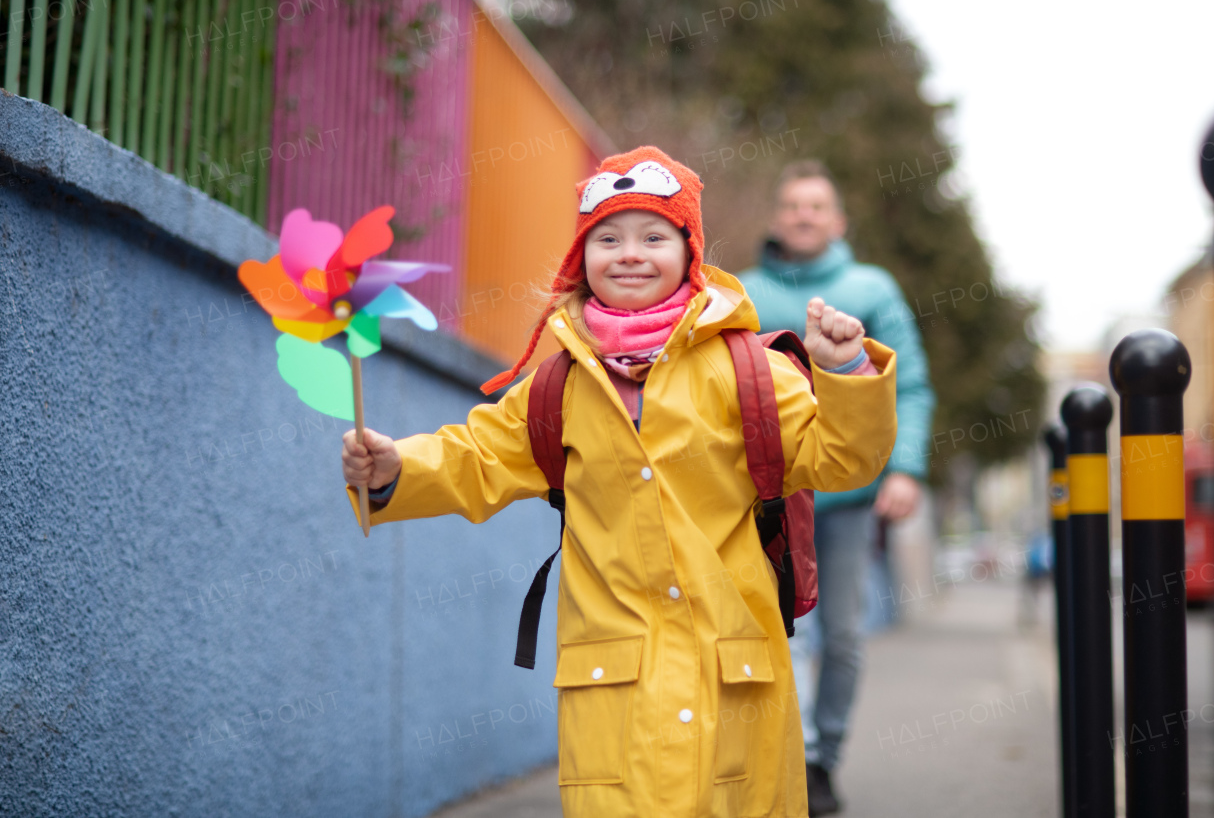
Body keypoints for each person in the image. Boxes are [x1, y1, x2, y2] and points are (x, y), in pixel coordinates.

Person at [340, 146, 900, 818]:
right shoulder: (559, 385)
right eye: (607, 238)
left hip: (735, 675)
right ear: (582, 259)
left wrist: (844, 373)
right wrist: (395, 470)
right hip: (616, 681)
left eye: (653, 237)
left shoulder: (748, 367)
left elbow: (842, 459)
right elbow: (478, 456)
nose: (629, 253)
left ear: (690, 252)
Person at [737, 160, 936, 816]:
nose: (803, 216)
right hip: (762, 497)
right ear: (776, 218)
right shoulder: (742, 291)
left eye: (816, 206)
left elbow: (906, 382)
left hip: (847, 501)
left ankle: (822, 761)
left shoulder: (870, 287)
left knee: (842, 636)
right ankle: (786, 752)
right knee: (774, 632)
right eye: (793, 205)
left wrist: (904, 468)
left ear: (838, 221)